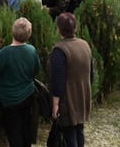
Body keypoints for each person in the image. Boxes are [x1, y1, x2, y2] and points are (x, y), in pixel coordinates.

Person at [0, 17, 41, 147]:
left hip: (9, 98)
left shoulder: (4, 53)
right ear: (29, 34)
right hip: (27, 94)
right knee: (26, 128)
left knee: (14, 132)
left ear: (12, 31)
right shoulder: (31, 50)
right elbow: (36, 69)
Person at [49, 12, 92, 147]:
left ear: (59, 29)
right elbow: (91, 73)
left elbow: (58, 80)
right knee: (79, 130)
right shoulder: (85, 45)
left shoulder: (59, 50)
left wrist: (55, 104)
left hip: (68, 100)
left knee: (70, 135)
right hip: (83, 96)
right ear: (75, 28)